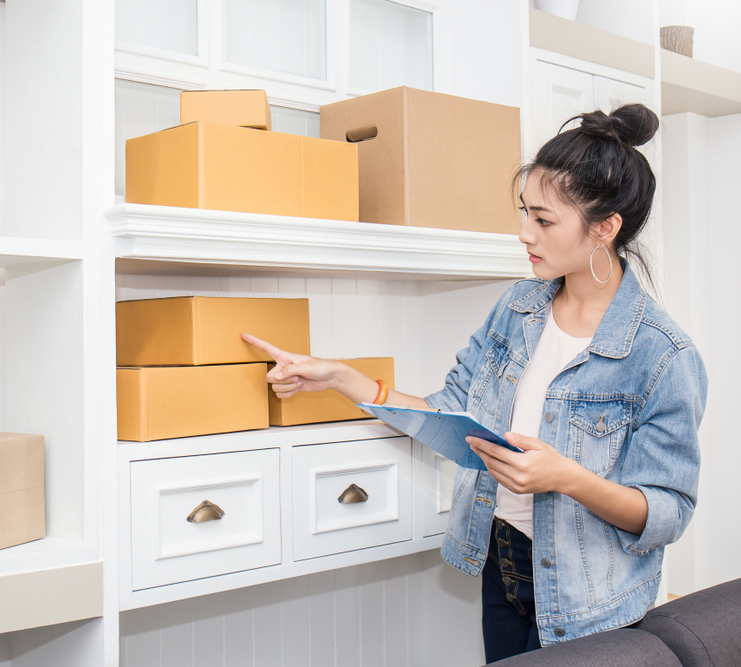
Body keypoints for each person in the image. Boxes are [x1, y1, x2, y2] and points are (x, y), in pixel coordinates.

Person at [242, 103, 707, 663]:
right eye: (524, 213)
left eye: (543, 220)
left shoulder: (662, 354)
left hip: (591, 596)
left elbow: (666, 511)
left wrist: (567, 477)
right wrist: (340, 376)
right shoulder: (517, 308)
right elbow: (449, 412)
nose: (523, 233)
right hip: (504, 564)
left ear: (605, 228)